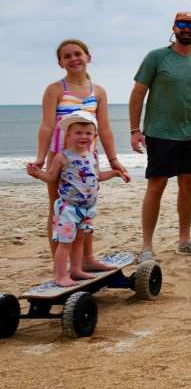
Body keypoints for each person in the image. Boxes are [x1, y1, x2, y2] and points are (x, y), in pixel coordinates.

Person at [31, 39, 128, 271]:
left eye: (78, 54)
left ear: (88, 57)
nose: (73, 59)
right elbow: (46, 126)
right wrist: (41, 158)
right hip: (60, 157)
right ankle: (60, 265)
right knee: (59, 207)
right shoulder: (55, 89)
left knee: (85, 205)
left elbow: (104, 128)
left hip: (87, 158)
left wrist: (114, 160)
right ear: (60, 63)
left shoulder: (99, 92)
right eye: (67, 56)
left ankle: (87, 259)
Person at [130, 12, 191, 262]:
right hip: (160, 134)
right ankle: (146, 247)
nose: (187, 29)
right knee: (156, 186)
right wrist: (134, 130)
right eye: (183, 24)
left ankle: (185, 241)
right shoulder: (157, 57)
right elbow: (137, 94)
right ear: (174, 28)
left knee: (188, 186)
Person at [26, 112, 130, 286]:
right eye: (78, 133)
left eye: (88, 133)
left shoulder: (93, 156)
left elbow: (96, 176)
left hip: (87, 208)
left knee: (80, 239)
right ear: (68, 135)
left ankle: (76, 270)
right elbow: (51, 177)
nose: (84, 136)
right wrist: (37, 174)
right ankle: (60, 276)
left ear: (94, 136)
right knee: (65, 243)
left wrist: (114, 173)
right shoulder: (63, 157)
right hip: (68, 209)